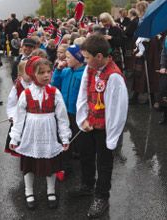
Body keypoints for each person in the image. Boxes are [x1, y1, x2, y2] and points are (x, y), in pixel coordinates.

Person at [72, 34, 128, 218]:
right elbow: (83, 95)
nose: (85, 60)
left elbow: (117, 110)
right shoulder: (90, 69)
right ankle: (87, 185)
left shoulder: (114, 76)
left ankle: (102, 197)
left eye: (87, 57)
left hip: (105, 127)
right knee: (86, 155)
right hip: (89, 124)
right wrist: (83, 119)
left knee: (104, 163)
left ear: (98, 56)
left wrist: (111, 137)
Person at [9, 56, 71, 210]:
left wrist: (64, 137)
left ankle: (51, 190)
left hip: (49, 134)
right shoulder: (26, 93)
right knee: (29, 165)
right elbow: (19, 119)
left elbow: (62, 118)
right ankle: (28, 191)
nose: (46, 75)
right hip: (31, 135)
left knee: (50, 164)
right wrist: (15, 138)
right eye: (41, 72)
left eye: (49, 72)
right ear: (32, 74)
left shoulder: (54, 92)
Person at [51, 44, 85, 172]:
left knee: (77, 137)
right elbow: (55, 84)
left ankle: (79, 156)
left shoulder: (84, 74)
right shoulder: (65, 71)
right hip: (64, 111)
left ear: (78, 58)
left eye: (69, 57)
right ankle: (66, 163)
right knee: (65, 136)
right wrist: (58, 70)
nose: (65, 60)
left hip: (77, 112)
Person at [5, 60, 32, 155]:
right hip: (21, 120)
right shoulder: (17, 87)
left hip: (33, 121)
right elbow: (11, 104)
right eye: (27, 72)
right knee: (22, 143)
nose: (31, 74)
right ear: (20, 75)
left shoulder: (37, 84)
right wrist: (12, 116)